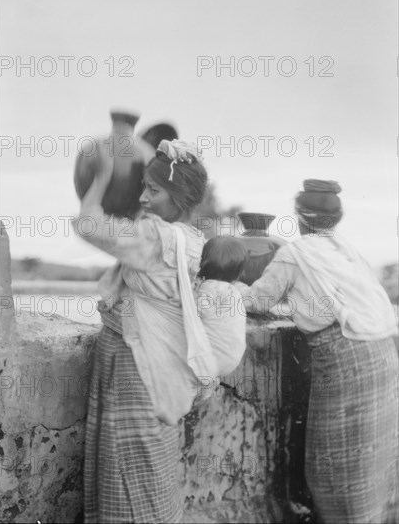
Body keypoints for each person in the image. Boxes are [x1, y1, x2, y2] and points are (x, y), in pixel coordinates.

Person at [73, 139, 216, 524]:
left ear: (179, 195)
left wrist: (101, 178)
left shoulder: (156, 237)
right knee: (152, 472)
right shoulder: (194, 240)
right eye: (142, 188)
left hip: (137, 369)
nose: (144, 197)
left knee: (128, 473)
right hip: (163, 370)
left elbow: (89, 224)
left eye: (153, 190)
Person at [242, 179, 399, 524]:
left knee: (336, 459)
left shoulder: (295, 253)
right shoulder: (345, 250)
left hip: (347, 359)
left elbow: (259, 300)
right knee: (370, 456)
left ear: (299, 217)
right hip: (382, 353)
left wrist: (225, 291)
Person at [194, 235, 248, 378]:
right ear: (238, 272)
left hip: (210, 360)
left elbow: (196, 312)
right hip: (231, 359)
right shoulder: (234, 291)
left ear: (202, 263)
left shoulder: (210, 288)